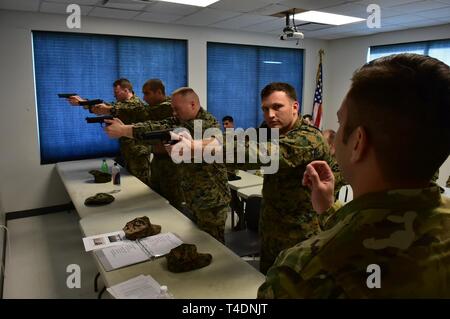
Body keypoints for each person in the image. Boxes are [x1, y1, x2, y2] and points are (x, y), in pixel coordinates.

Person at [258, 53, 450, 298]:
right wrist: (329, 207)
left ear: (358, 141)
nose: (333, 138)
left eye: (339, 124)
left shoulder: (304, 273)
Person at [170, 82, 340, 274]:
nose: (270, 115)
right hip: (270, 231)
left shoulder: (308, 138)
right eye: (265, 109)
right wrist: (196, 142)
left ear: (295, 107)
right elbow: (240, 141)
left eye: (277, 107)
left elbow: (260, 153)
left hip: (301, 236)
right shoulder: (275, 133)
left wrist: (196, 148)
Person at [103, 87, 231, 243]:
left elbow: (165, 132)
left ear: (192, 105)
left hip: (212, 200)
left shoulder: (203, 125)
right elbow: (157, 125)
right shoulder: (182, 119)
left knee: (214, 245)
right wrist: (127, 128)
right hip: (196, 195)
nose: (174, 113)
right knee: (199, 241)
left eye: (177, 109)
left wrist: (124, 130)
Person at [68, 79, 149, 184]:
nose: (114, 95)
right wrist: (82, 102)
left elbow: (111, 108)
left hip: (138, 153)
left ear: (126, 90)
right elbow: (102, 108)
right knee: (129, 183)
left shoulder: (136, 103)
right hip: (127, 151)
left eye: (116, 92)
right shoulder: (120, 104)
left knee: (141, 183)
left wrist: (83, 103)